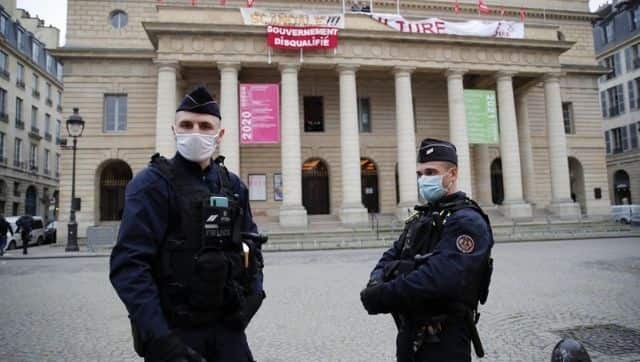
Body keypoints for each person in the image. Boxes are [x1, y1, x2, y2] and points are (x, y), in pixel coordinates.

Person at [110, 86, 265, 362]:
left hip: (228, 331)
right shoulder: (150, 185)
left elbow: (252, 247)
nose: (195, 132)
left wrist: (253, 298)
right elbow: (130, 266)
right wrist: (161, 339)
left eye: (205, 126)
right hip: (175, 331)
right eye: (187, 124)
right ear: (174, 130)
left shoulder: (233, 186)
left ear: (220, 135)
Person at [360, 138, 494, 362]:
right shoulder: (422, 216)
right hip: (410, 335)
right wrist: (377, 280)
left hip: (445, 339)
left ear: (452, 174)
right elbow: (390, 256)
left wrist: (382, 295)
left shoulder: (467, 221)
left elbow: (439, 278)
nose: (423, 180)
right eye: (420, 174)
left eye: (431, 172)